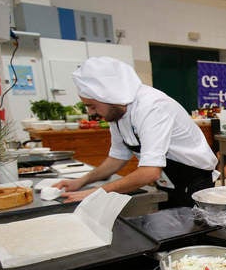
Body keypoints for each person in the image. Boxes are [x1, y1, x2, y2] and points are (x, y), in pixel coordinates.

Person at [54, 57, 217, 208]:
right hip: (168, 180)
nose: (90, 113)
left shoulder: (152, 107)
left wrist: (97, 193)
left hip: (193, 181)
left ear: (108, 96)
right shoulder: (117, 113)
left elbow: (149, 173)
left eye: (92, 106)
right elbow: (116, 158)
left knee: (191, 234)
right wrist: (80, 182)